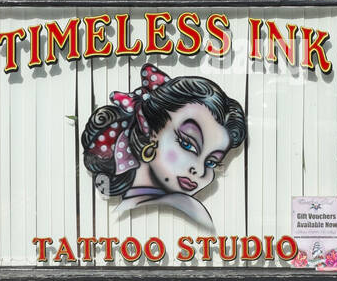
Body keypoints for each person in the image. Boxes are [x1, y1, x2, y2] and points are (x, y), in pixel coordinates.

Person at [81, 63, 246, 230]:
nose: (200, 170)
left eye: (211, 162)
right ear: (151, 131)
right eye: (187, 144)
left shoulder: (189, 208)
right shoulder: (130, 206)